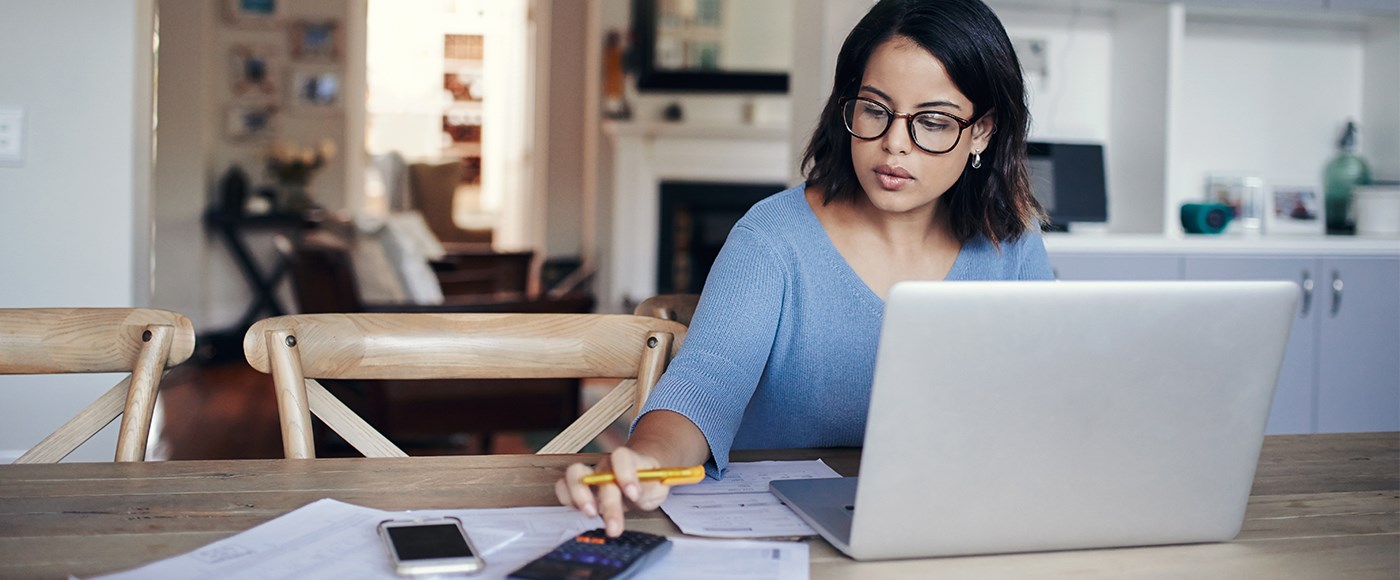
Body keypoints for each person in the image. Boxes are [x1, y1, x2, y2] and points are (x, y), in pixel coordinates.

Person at [557, 0, 1054, 536]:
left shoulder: (1013, 244)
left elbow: (1048, 403)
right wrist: (647, 462)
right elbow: (705, 382)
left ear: (981, 131)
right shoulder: (772, 238)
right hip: (779, 534)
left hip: (951, 526)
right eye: (874, 109)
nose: (893, 143)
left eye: (932, 121)